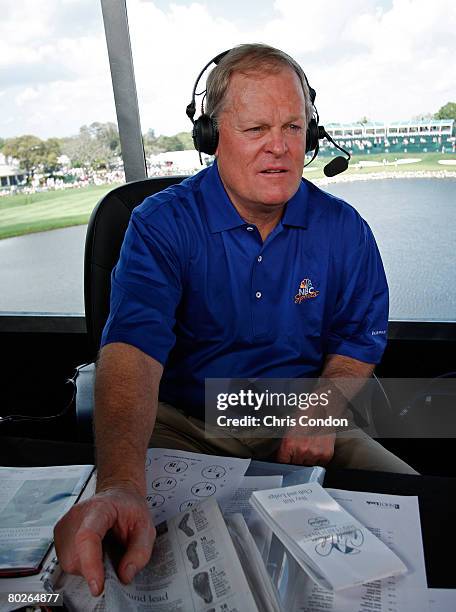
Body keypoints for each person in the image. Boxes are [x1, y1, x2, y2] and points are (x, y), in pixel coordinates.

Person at [54, 43, 417, 596]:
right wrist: (122, 485)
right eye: (255, 130)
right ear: (212, 137)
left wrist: (319, 410)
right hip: (184, 422)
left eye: (294, 128)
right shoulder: (158, 226)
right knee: (126, 551)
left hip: (298, 410)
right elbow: (131, 353)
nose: (280, 148)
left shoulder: (345, 229)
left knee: (419, 507)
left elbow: (359, 337)